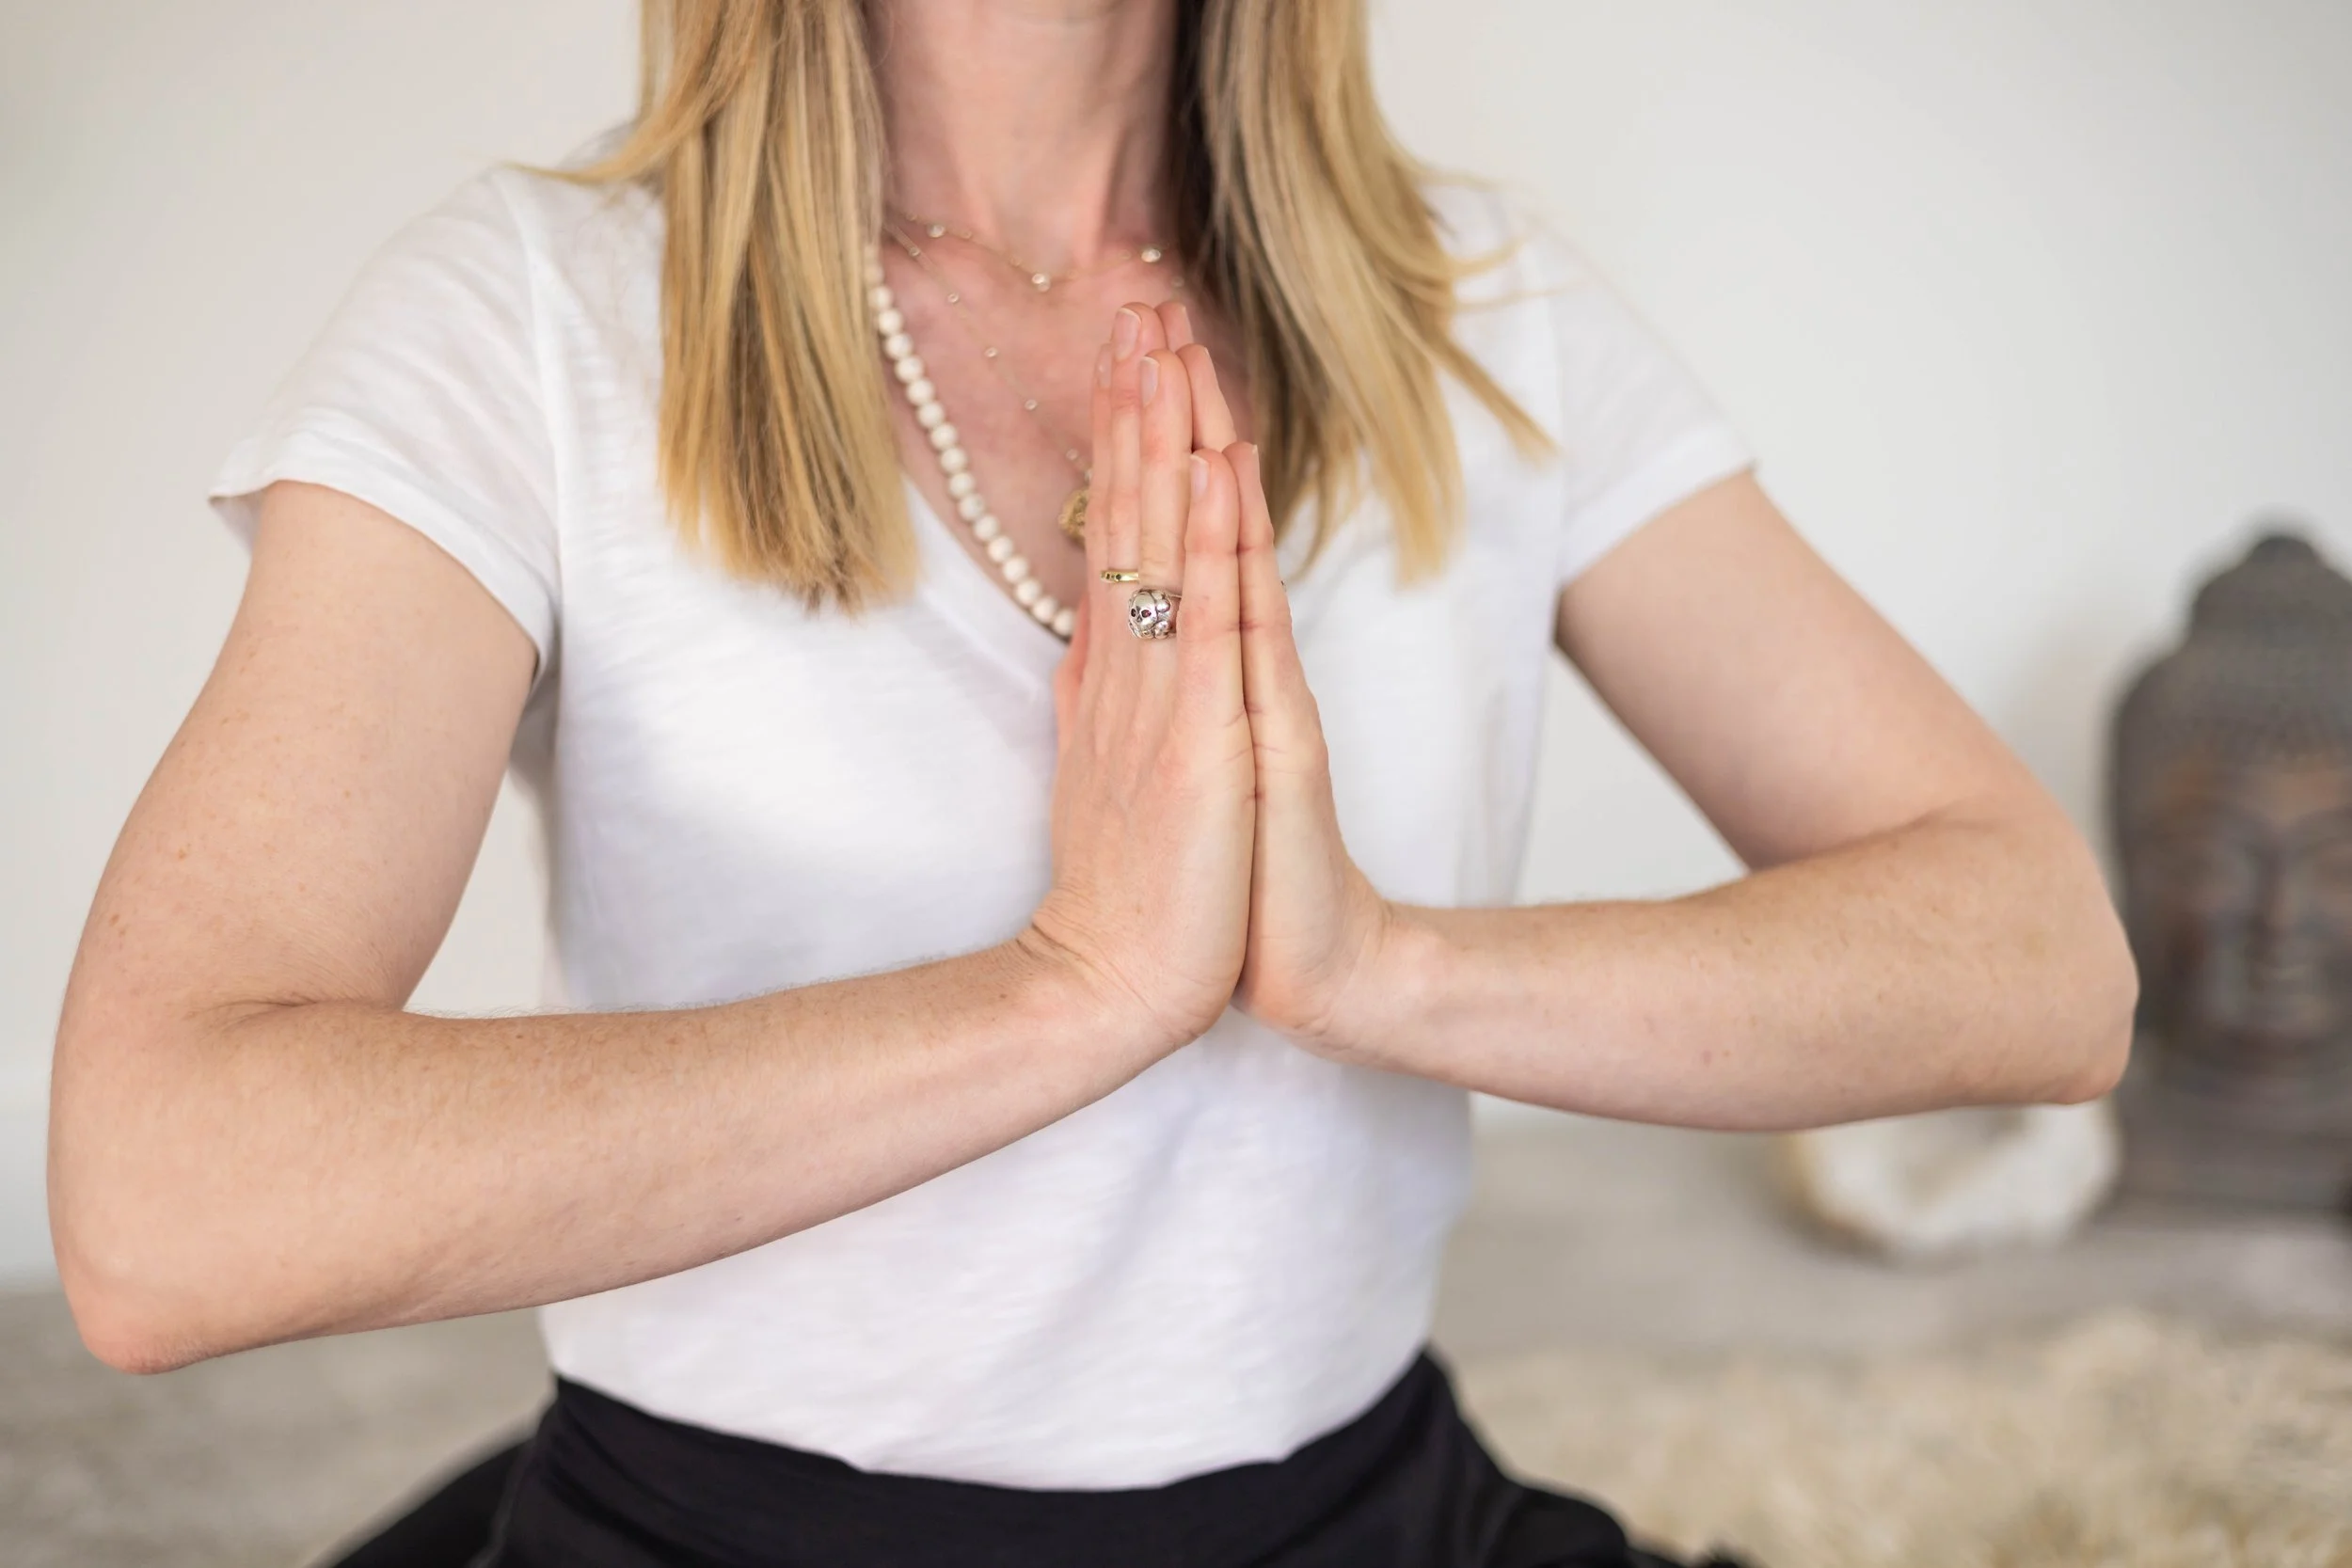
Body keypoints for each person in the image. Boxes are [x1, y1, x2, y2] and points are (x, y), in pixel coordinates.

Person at [46, 2, 2136, 1564]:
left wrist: (1371, 964)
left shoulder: (1486, 310)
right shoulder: (525, 313)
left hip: (1368, 1506)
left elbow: (2038, 961)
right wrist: (1070, 989)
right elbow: (165, 1203)